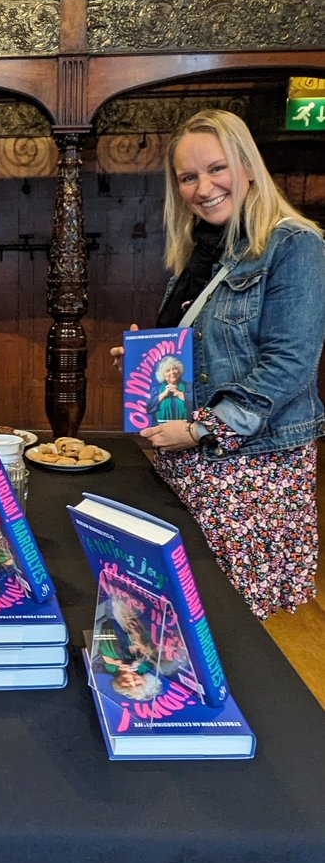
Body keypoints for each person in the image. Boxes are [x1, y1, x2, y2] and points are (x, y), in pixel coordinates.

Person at [111, 108, 325, 621]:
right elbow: (204, 360)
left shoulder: (295, 245)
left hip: (253, 472)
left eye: (216, 168)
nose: (203, 188)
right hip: (190, 465)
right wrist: (146, 362)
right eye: (188, 177)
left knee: (230, 621)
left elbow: (289, 365)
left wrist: (202, 429)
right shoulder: (200, 254)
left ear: (247, 165)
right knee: (187, 612)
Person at [148, 356, 191, 423]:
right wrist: (163, 394)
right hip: (160, 428)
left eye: (175, 369)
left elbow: (197, 405)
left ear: (179, 371)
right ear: (163, 374)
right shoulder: (156, 390)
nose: (172, 372)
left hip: (186, 427)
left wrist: (180, 394)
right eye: (168, 370)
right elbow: (148, 408)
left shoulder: (189, 386)